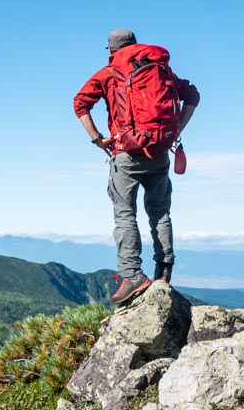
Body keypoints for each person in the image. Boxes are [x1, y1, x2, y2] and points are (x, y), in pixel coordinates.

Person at [74, 29, 200, 304]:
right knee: (160, 212)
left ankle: (132, 275)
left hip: (126, 153)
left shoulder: (109, 72)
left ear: (110, 49)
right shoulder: (160, 68)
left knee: (124, 215)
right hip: (159, 152)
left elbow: (80, 104)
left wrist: (97, 139)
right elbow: (192, 96)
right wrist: (175, 130)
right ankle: (164, 271)